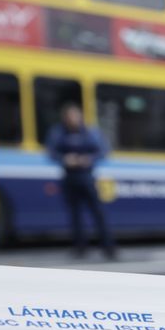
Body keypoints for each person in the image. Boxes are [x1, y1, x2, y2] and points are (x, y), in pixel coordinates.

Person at [45, 103, 116, 260]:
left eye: (75, 116)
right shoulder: (58, 132)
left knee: (98, 213)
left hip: (87, 177)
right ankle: (80, 249)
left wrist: (88, 159)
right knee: (75, 215)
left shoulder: (90, 132)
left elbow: (103, 151)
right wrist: (65, 159)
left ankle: (108, 248)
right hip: (69, 177)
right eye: (69, 116)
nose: (72, 119)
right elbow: (51, 152)